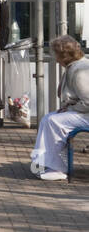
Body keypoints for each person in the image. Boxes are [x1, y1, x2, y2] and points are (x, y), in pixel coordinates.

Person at [30, 35, 89, 181]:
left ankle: (58, 168)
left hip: (85, 114)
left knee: (53, 121)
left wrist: (70, 108)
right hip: (82, 112)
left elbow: (87, 101)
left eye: (56, 54)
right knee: (47, 119)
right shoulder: (76, 66)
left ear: (64, 56)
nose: (54, 58)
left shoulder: (79, 71)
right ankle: (43, 162)